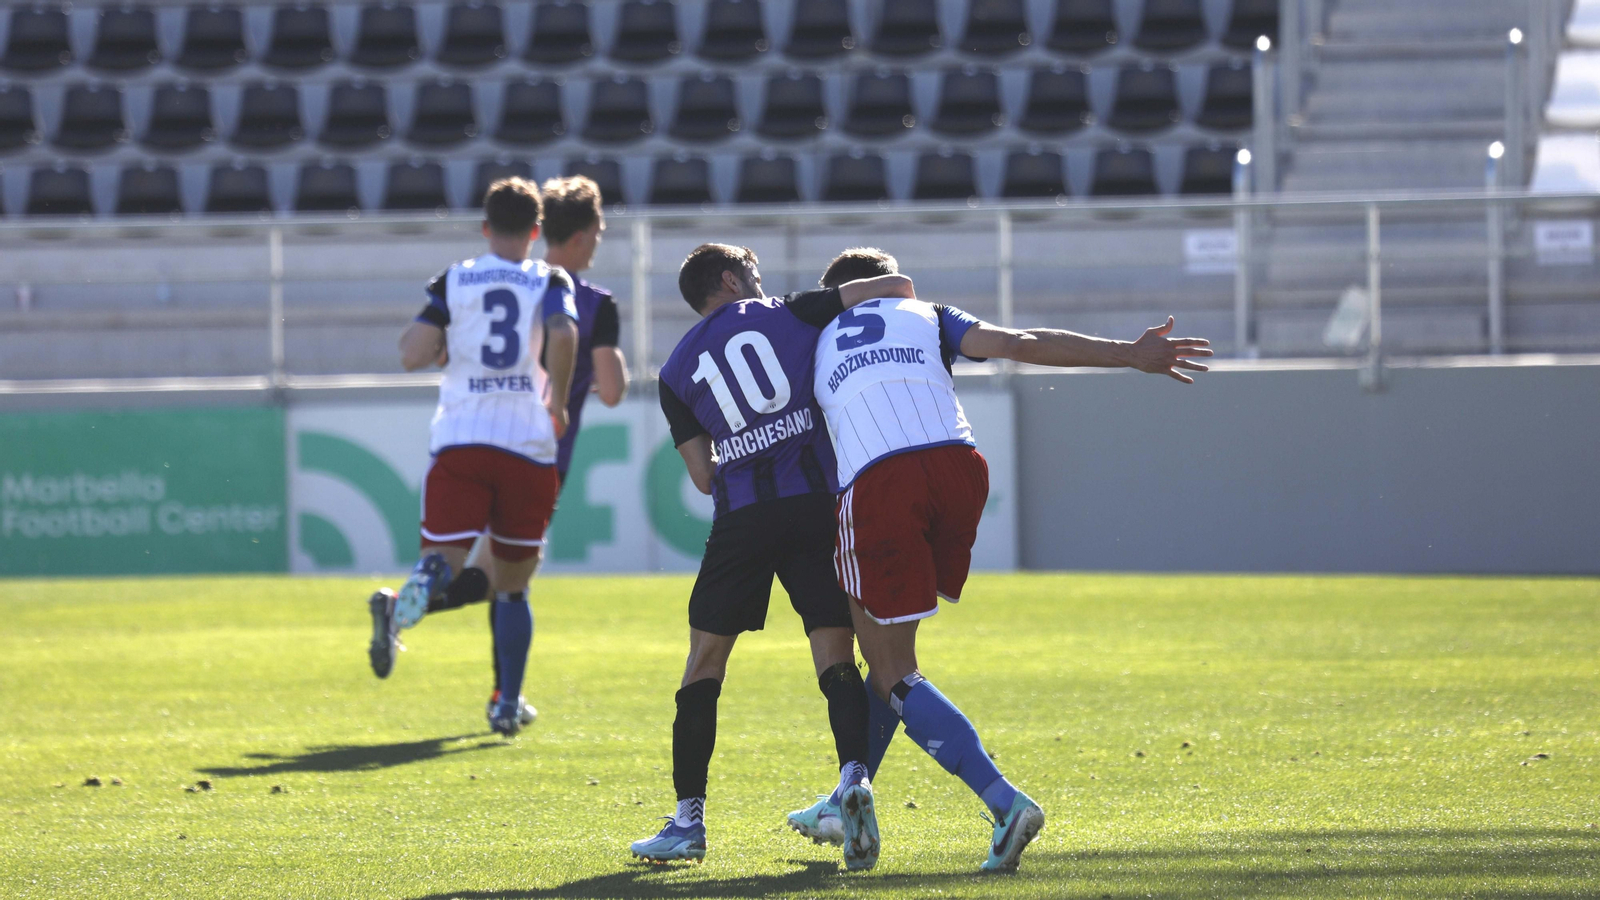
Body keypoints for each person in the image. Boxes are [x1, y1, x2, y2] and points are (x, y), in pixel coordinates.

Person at [804, 248, 1211, 872]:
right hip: (960, 468)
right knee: (892, 662)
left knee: (889, 670)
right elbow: (1020, 342)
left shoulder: (813, 332)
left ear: (835, 293)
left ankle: (1003, 802)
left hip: (880, 481)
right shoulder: (927, 313)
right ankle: (843, 800)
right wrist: (1128, 354)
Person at [627, 244, 914, 870]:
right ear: (731, 279)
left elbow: (702, 476)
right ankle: (855, 780)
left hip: (744, 518)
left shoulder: (675, 371)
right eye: (751, 276)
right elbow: (895, 286)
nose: (759, 285)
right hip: (815, 504)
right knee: (836, 653)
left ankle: (687, 823)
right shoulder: (793, 310)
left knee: (705, 662)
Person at [364, 178, 580, 739]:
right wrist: (555, 397)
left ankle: (422, 580)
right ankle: (506, 703)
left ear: (485, 228)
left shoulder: (454, 278)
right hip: (527, 444)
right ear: (536, 231)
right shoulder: (548, 278)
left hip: (460, 438)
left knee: (448, 560)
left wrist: (442, 346)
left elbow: (412, 353)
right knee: (512, 584)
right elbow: (563, 333)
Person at [471, 175, 628, 727]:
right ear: (583, 236)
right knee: (508, 576)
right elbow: (612, 392)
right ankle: (411, 612)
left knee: (498, 570)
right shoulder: (592, 303)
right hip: (541, 455)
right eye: (600, 230)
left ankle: (501, 693)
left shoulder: (516, 287)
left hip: (481, 437)